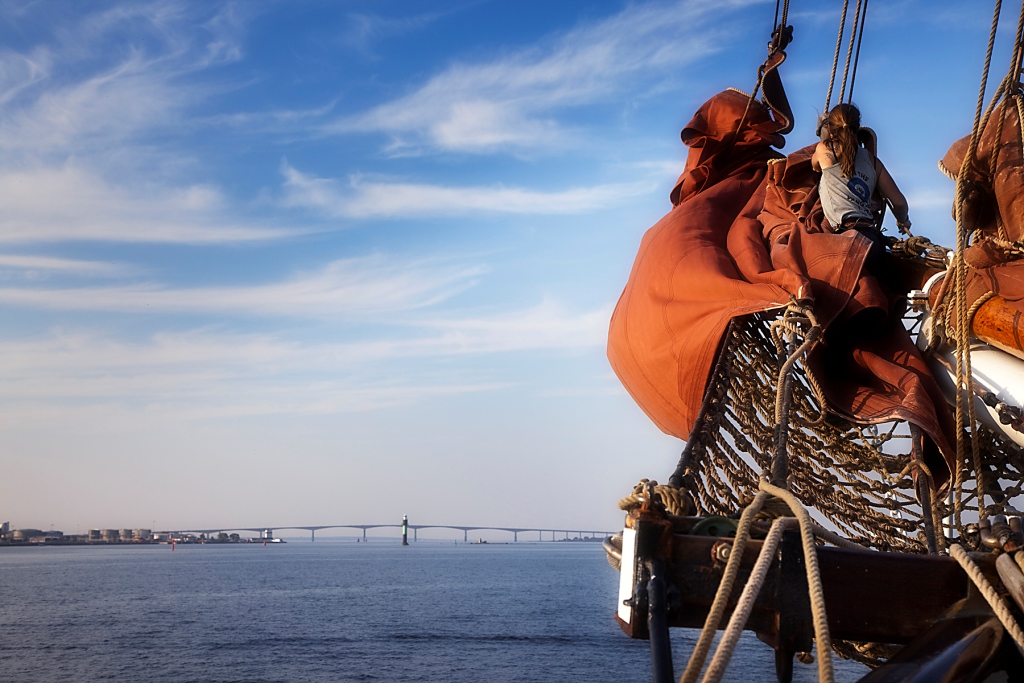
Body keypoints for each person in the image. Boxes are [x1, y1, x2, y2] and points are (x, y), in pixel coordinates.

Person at [812, 103, 911, 267]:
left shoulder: (825, 149)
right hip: (873, 241)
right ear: (857, 127)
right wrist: (903, 221)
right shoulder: (873, 162)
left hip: (846, 240)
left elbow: (814, 166)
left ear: (830, 128)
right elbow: (899, 203)